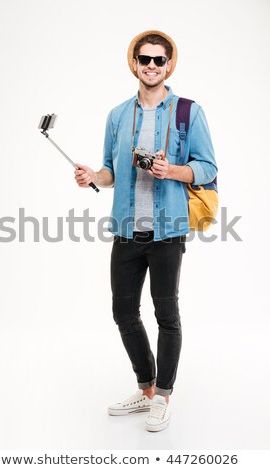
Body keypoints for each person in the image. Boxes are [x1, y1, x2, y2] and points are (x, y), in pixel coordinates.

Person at [74, 30, 217, 432]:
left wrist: (170, 169)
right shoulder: (118, 115)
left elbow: (208, 168)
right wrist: (93, 177)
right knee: (123, 312)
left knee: (166, 314)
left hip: (168, 229)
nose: (151, 65)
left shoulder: (189, 112)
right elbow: (110, 172)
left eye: (158, 59)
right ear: (134, 63)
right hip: (125, 230)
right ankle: (147, 388)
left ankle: (164, 396)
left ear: (169, 64)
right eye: (144, 59)